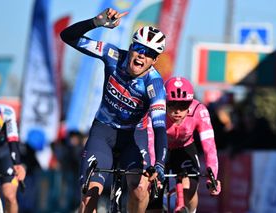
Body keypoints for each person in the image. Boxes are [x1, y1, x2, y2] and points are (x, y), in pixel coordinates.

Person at [60, 7, 168, 213]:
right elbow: (67, 36)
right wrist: (96, 22)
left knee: (140, 189)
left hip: (134, 137)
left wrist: (161, 164)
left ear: (154, 60)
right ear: (131, 46)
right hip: (104, 131)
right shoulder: (112, 55)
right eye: (139, 48)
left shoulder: (154, 84)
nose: (141, 56)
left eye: (149, 54)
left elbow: (160, 127)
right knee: (90, 195)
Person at [147, 77, 221, 213]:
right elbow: (150, 142)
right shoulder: (157, 108)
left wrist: (213, 177)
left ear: (190, 104)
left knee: (190, 188)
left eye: (183, 106)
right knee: (152, 196)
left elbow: (209, 146)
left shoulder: (199, 111)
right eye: (172, 104)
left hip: (184, 147)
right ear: (165, 102)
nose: (177, 111)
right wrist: (153, 168)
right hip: (159, 148)